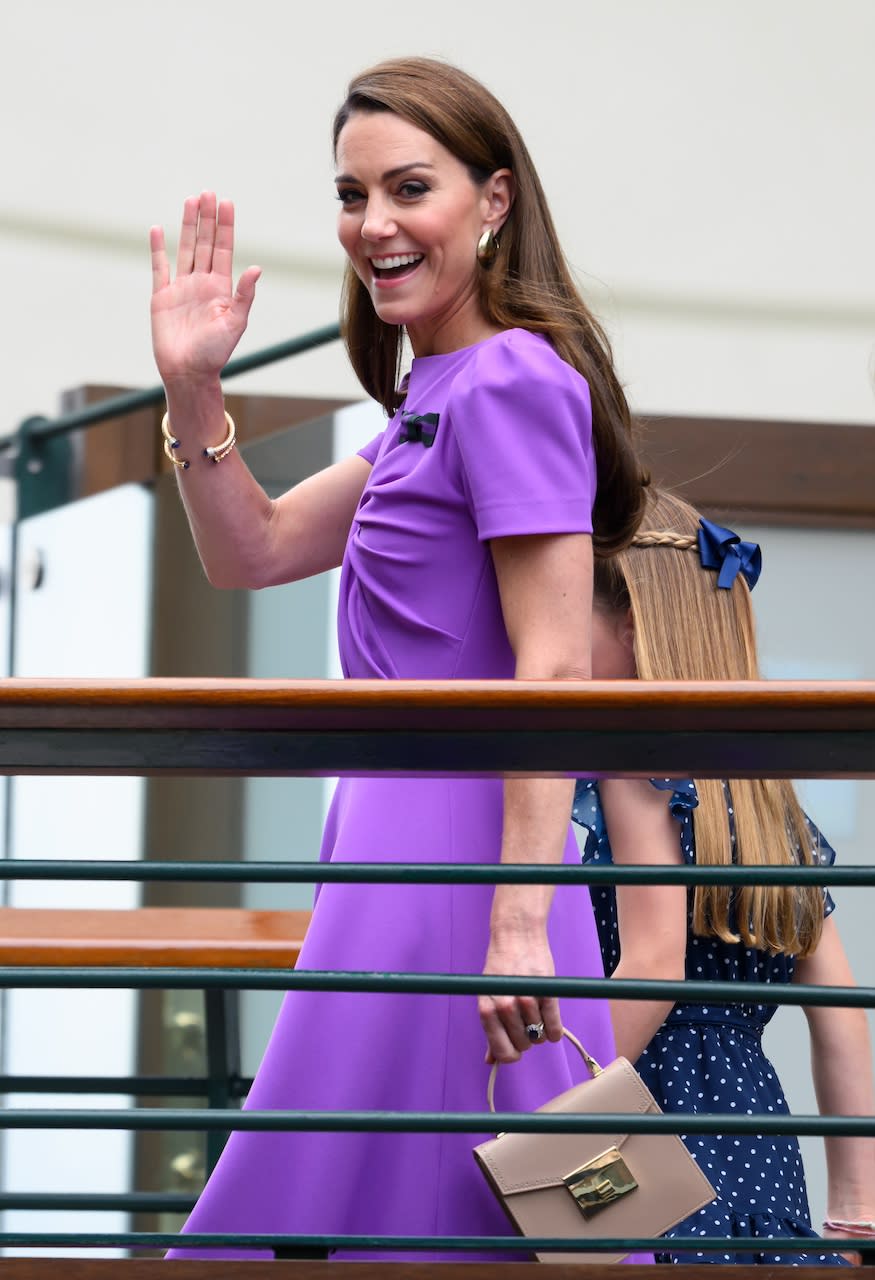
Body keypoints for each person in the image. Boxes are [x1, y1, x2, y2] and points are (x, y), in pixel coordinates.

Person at [149, 57, 650, 1261]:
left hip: (465, 860)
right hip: (397, 844)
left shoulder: (515, 379)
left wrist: (519, 918)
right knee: (437, 1193)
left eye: (407, 188)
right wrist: (192, 389)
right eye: (350, 192)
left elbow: (551, 670)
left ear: (491, 203)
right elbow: (253, 552)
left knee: (483, 1190)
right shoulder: (432, 393)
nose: (371, 224)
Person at [572, 486, 875, 1265]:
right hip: (756, 1132)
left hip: (646, 1106)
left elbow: (651, 968)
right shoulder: (769, 804)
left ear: (633, 626)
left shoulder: (631, 769)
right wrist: (854, 1212)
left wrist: (554, 1102)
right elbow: (840, 1014)